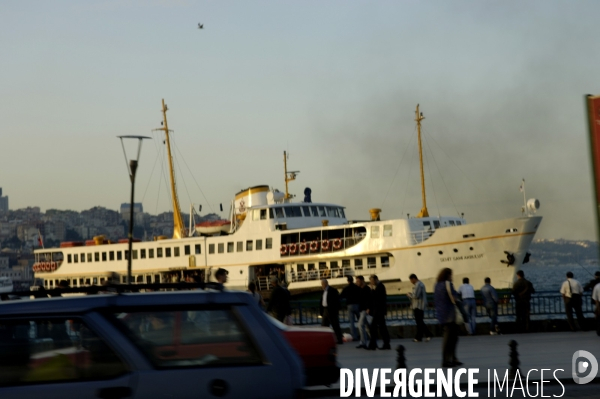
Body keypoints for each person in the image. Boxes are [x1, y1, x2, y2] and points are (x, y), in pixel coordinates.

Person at [434, 267, 462, 368]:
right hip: (450, 314)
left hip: (441, 314)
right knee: (451, 338)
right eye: (451, 275)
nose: (452, 277)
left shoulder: (437, 285)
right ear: (447, 275)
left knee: (451, 337)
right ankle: (446, 360)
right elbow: (454, 298)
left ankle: (452, 358)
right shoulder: (448, 284)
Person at [366, 275, 390, 350]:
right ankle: (384, 344)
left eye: (372, 281)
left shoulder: (380, 286)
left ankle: (374, 345)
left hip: (379, 311)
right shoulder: (379, 286)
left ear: (376, 279)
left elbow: (377, 298)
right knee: (381, 327)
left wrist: (372, 290)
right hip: (378, 311)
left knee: (375, 327)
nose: (371, 282)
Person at [408, 274, 432, 342]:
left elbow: (416, 296)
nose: (411, 282)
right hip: (420, 305)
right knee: (419, 322)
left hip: (418, 305)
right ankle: (419, 337)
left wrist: (409, 295)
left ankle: (428, 334)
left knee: (419, 322)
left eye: (411, 280)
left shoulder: (418, 285)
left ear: (413, 279)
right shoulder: (421, 284)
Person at [320, 279, 343, 344]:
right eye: (322, 284)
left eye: (323, 284)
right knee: (324, 325)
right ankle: (325, 339)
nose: (322, 285)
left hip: (332, 310)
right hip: (325, 310)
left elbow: (336, 301)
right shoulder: (323, 291)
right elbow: (322, 301)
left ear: (326, 283)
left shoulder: (333, 290)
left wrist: (335, 309)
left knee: (335, 325)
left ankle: (339, 339)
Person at [340, 276, 361, 341]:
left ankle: (354, 337)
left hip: (349, 305)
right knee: (360, 322)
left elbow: (341, 296)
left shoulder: (346, 288)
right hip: (357, 305)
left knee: (351, 322)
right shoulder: (357, 287)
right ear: (353, 280)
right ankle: (363, 335)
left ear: (348, 281)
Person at [355, 276, 372, 349]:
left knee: (360, 325)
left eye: (358, 281)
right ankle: (373, 340)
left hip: (365, 310)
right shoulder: (359, 289)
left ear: (362, 281)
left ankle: (363, 342)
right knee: (367, 326)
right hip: (361, 309)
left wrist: (368, 308)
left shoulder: (367, 289)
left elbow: (369, 299)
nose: (357, 283)